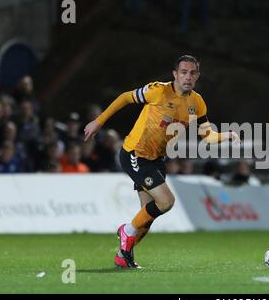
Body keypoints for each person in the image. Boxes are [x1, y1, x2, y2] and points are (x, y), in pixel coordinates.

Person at [84, 55, 241, 269]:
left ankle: (124, 255)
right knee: (166, 202)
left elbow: (207, 135)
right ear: (175, 74)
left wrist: (226, 135)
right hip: (135, 153)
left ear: (197, 76)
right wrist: (99, 121)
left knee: (146, 218)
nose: (188, 76)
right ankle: (126, 231)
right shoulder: (158, 90)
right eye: (183, 72)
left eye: (192, 72)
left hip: (156, 158)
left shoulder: (197, 102)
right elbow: (125, 98)